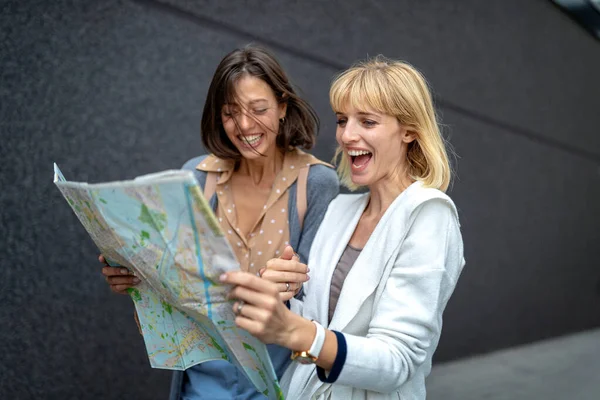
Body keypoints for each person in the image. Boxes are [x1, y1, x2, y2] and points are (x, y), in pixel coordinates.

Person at [100, 45, 339, 400]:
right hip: (203, 375)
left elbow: (325, 298)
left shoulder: (317, 183)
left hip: (278, 376)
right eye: (230, 113)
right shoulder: (197, 177)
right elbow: (174, 281)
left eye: (258, 110)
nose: (244, 126)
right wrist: (135, 277)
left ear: (283, 107)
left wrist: (289, 286)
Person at [220, 56, 465, 400]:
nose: (347, 135)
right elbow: (320, 320)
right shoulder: (341, 209)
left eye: (367, 121)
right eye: (342, 120)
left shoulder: (429, 214)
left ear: (409, 130)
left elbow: (399, 360)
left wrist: (296, 332)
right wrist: (280, 296)